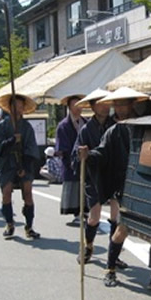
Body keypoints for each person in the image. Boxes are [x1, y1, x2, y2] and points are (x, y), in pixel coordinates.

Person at [78, 87, 151, 291]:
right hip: (127, 187)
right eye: (117, 104)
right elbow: (102, 153)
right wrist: (88, 157)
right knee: (122, 228)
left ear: (132, 103)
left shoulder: (148, 124)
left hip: (150, 183)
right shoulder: (114, 131)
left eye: (124, 103)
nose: (120, 108)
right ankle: (110, 268)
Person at [71, 89, 116, 264]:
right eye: (100, 103)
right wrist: (82, 155)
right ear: (92, 106)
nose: (105, 107)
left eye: (106, 103)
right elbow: (76, 152)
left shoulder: (115, 124)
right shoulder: (86, 129)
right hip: (93, 175)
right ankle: (88, 245)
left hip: (111, 174)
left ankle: (114, 253)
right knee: (94, 215)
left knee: (115, 215)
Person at [0, 93, 41, 240]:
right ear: (9, 107)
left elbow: (32, 148)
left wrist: (24, 166)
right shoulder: (1, 126)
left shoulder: (27, 127)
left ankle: (29, 226)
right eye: (15, 106)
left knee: (28, 192)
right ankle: (9, 223)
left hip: (24, 163)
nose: (17, 109)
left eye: (20, 106)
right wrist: (12, 141)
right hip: (6, 163)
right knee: (6, 192)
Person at [55, 94, 86, 225]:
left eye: (79, 105)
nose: (77, 108)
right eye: (74, 105)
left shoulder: (86, 122)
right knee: (74, 188)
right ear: (69, 107)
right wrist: (72, 156)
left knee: (85, 187)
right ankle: (77, 213)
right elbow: (62, 146)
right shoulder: (63, 126)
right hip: (71, 162)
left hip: (85, 159)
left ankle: (85, 212)